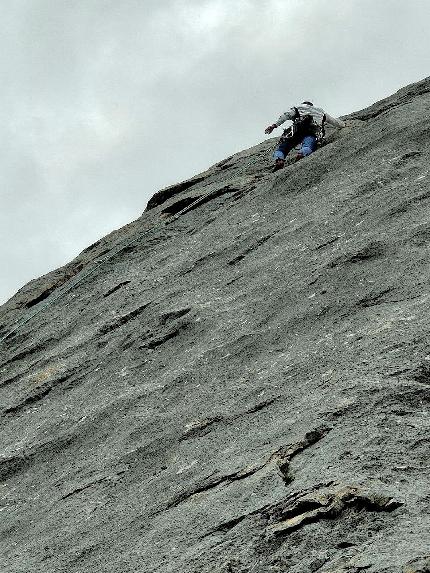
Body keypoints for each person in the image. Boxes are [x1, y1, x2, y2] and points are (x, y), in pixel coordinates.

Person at [265, 101, 346, 171]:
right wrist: (343, 125)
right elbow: (334, 121)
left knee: (284, 147)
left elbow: (286, 115)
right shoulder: (320, 112)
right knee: (308, 143)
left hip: (297, 130)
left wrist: (274, 125)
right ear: (312, 105)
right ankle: (302, 153)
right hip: (312, 131)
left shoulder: (298, 108)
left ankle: (279, 159)